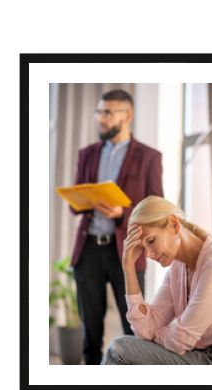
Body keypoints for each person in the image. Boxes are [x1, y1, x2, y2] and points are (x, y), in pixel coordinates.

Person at [71, 90, 163, 365]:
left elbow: (156, 208)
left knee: (134, 330)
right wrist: (83, 200)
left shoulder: (149, 157)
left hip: (127, 252)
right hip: (87, 251)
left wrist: (123, 212)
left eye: (107, 112)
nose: (101, 118)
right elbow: (75, 202)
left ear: (128, 116)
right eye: (99, 112)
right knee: (90, 334)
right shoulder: (87, 154)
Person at [101, 196, 212, 365]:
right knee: (120, 353)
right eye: (143, 248)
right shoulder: (177, 268)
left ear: (174, 224)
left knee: (120, 350)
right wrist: (128, 267)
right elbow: (146, 330)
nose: (149, 255)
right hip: (199, 354)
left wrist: (156, 336)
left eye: (151, 241)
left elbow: (181, 338)